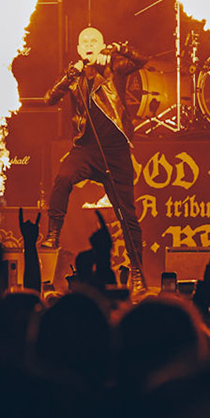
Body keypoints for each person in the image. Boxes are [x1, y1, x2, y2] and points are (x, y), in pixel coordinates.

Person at [42, 26, 147, 287]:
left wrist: (118, 49)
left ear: (101, 45)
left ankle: (137, 272)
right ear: (79, 49)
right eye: (84, 41)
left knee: (127, 214)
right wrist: (70, 74)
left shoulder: (114, 67)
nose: (89, 44)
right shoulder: (74, 75)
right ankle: (53, 234)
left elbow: (142, 60)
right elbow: (49, 99)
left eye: (94, 41)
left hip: (115, 151)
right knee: (63, 177)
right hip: (86, 150)